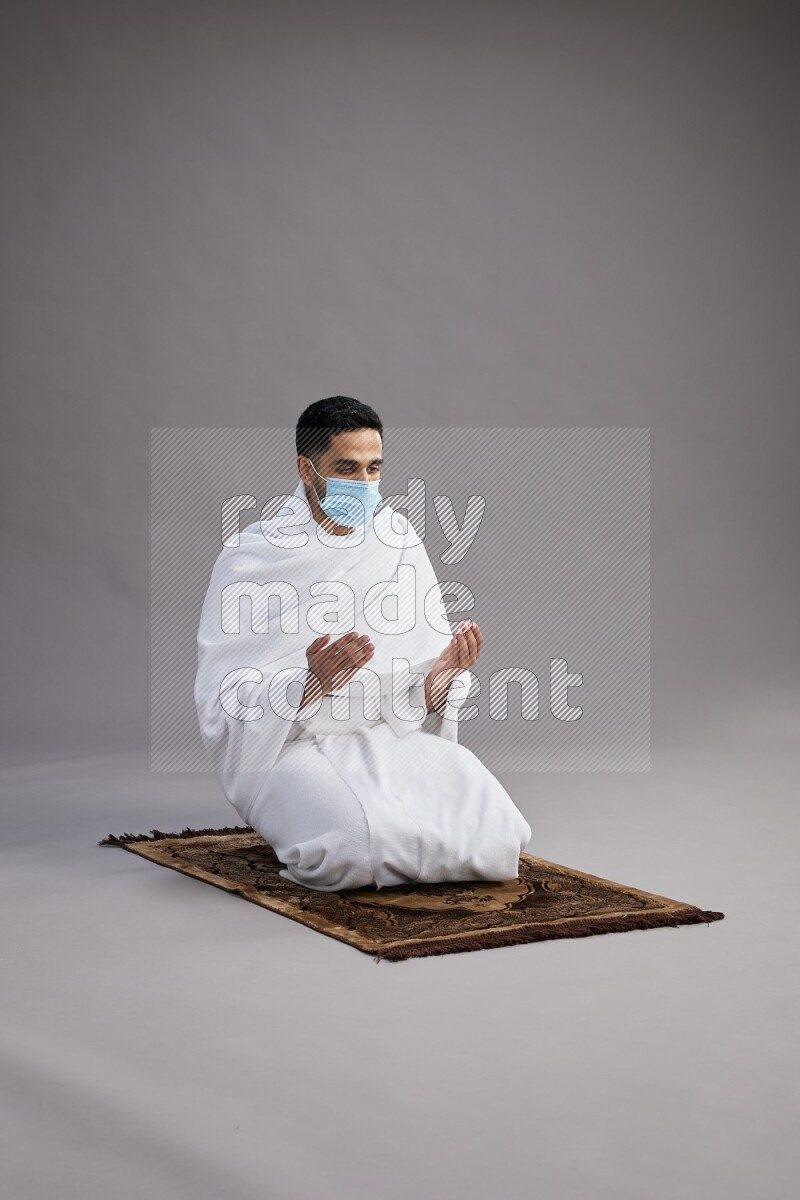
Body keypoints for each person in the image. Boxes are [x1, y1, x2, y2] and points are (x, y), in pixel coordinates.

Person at [193, 396, 532, 891]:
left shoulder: (397, 540)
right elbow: (222, 698)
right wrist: (308, 684)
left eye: (375, 468)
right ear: (306, 470)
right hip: (289, 748)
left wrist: (439, 678)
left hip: (388, 735)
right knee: (352, 849)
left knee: (499, 832)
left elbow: (419, 686)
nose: (366, 484)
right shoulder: (252, 557)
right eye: (347, 468)